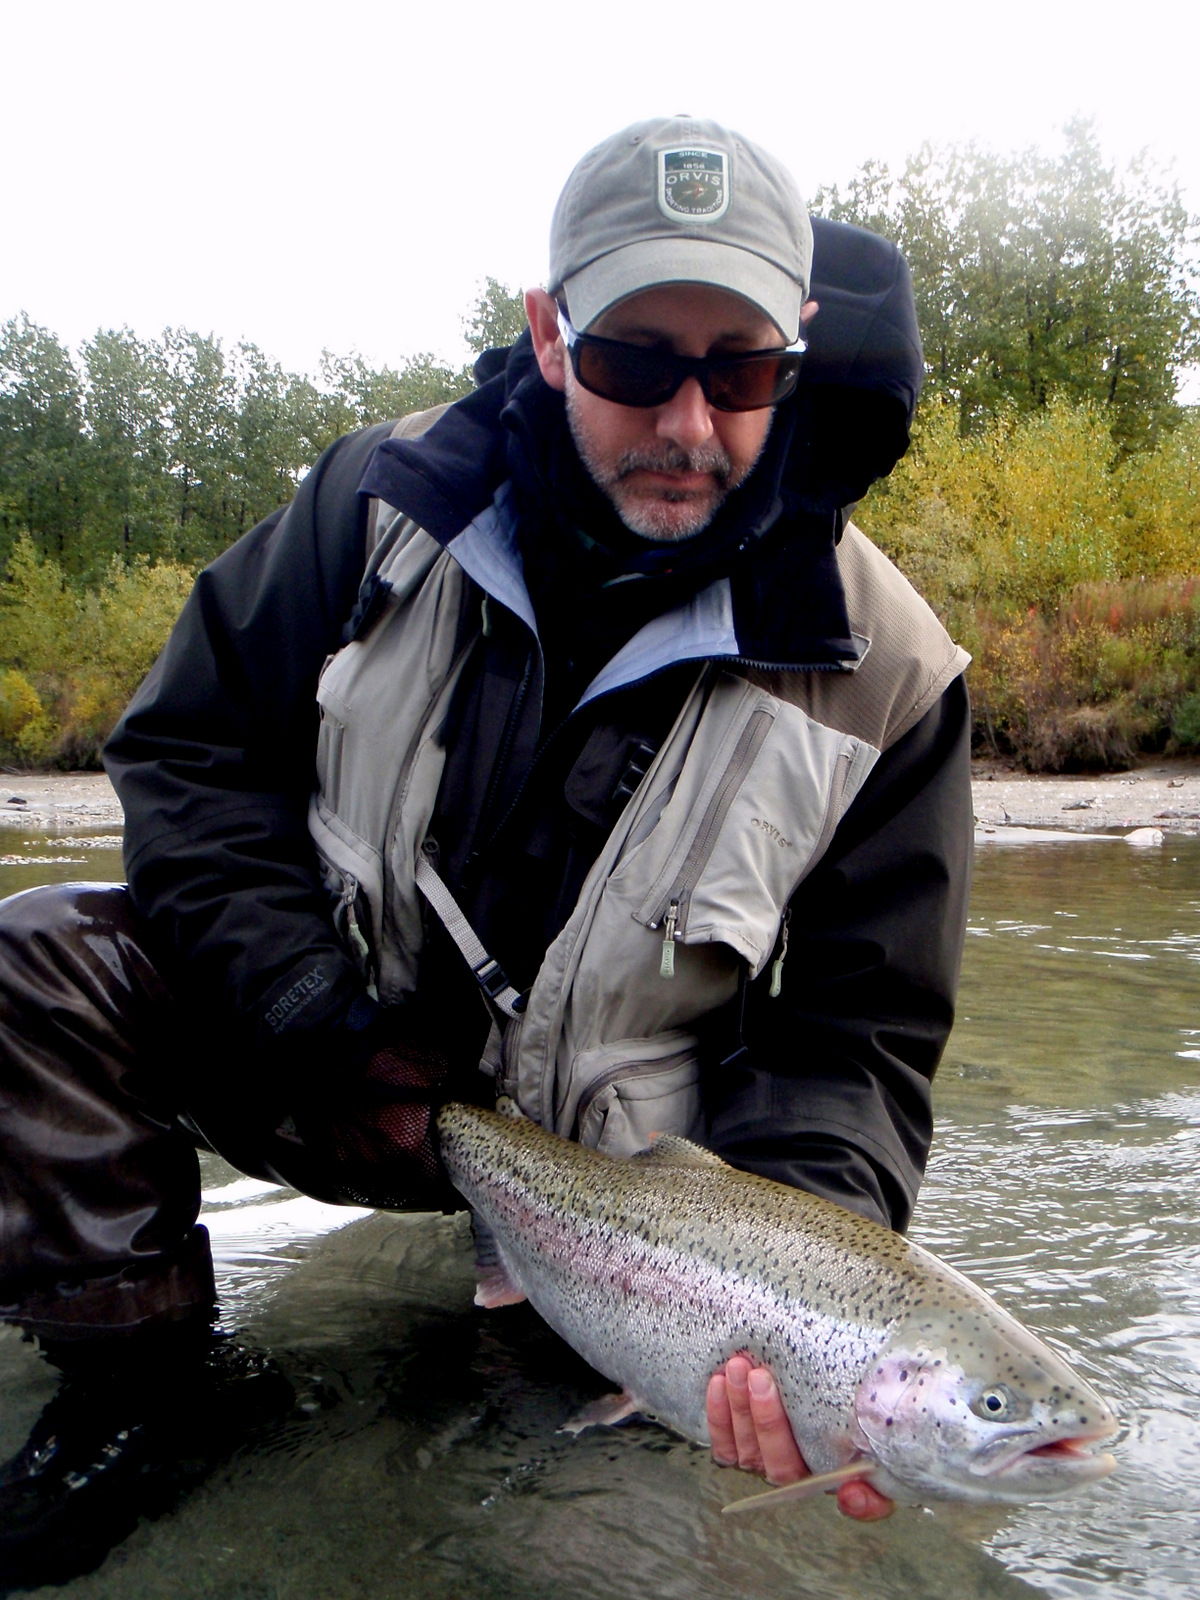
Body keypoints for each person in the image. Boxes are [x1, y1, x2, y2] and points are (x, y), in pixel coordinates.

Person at [0, 115, 972, 1576]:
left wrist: (772, 1311)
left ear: (799, 352)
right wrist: (302, 1007)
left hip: (614, 1192)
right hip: (329, 1070)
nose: (689, 424)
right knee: (42, 960)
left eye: (743, 369)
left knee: (564, 1547)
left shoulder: (891, 672)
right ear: (548, 329)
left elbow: (858, 1040)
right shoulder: (376, 508)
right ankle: (142, 1389)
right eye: (637, 360)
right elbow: (187, 760)